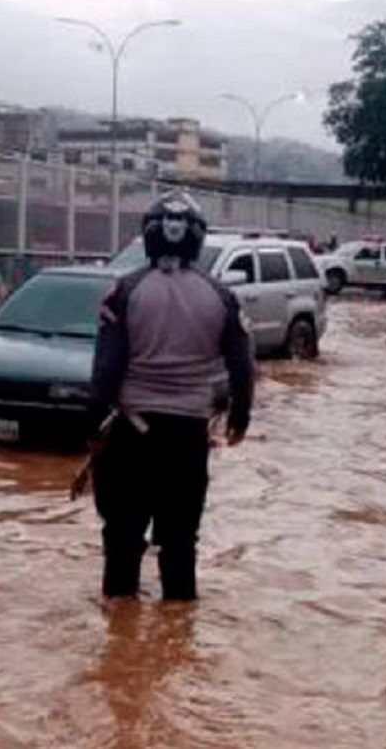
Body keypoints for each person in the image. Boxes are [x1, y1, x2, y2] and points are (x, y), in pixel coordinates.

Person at [90, 189, 254, 601]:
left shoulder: (123, 291)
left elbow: (106, 369)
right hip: (189, 435)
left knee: (123, 537)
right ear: (197, 238)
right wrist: (240, 418)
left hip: (132, 432)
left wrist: (92, 424)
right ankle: (178, 638)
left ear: (149, 234)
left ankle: (120, 638)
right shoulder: (222, 297)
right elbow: (242, 368)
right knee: (180, 540)